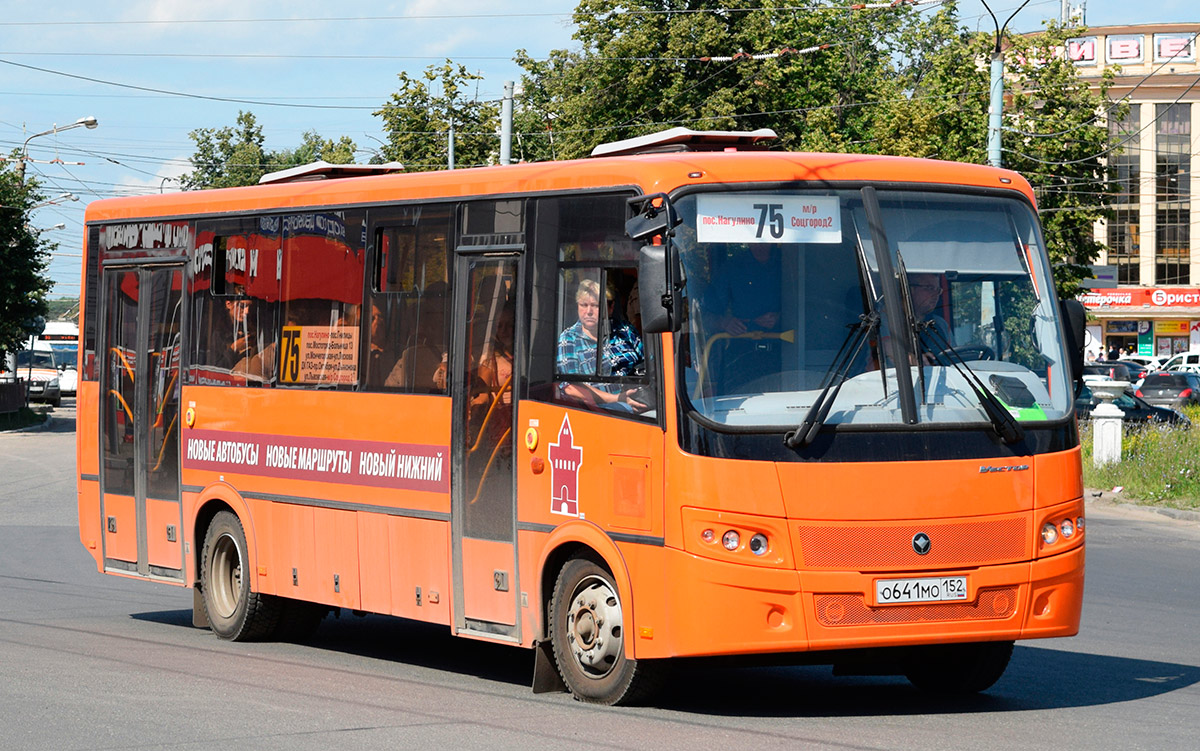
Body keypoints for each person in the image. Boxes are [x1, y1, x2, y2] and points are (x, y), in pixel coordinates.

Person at [556, 279, 645, 410]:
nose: (588, 311)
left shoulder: (624, 330)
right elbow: (571, 388)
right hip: (599, 410)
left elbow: (648, 363)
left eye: (595, 305)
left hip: (635, 398)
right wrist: (619, 398)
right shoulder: (569, 339)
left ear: (610, 308)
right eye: (583, 305)